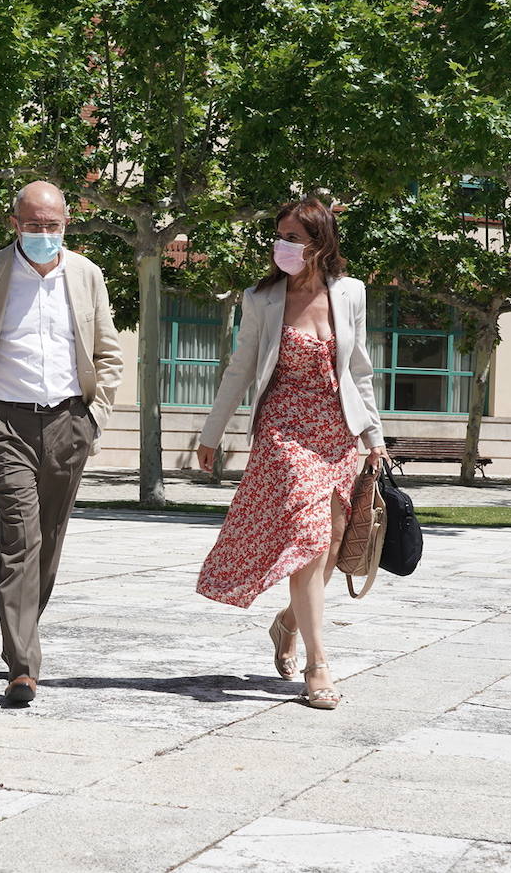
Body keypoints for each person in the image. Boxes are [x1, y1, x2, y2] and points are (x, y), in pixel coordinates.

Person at [194, 196, 386, 710]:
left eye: (293, 238)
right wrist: (212, 433)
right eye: (279, 236)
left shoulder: (350, 294)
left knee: (334, 538)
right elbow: (240, 368)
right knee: (309, 539)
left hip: (338, 431)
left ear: (320, 242)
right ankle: (318, 666)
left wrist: (374, 437)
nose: (283, 246)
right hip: (284, 428)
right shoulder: (261, 299)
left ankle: (288, 622)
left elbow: (359, 371)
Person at [0, 181, 123, 704]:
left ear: (67, 223)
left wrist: (94, 417)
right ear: (14, 224)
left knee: (50, 541)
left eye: (53, 225)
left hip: (68, 422)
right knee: (20, 536)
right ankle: (24, 664)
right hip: (4, 425)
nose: (44, 234)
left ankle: (21, 634)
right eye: (34, 225)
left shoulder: (86, 275)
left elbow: (108, 354)